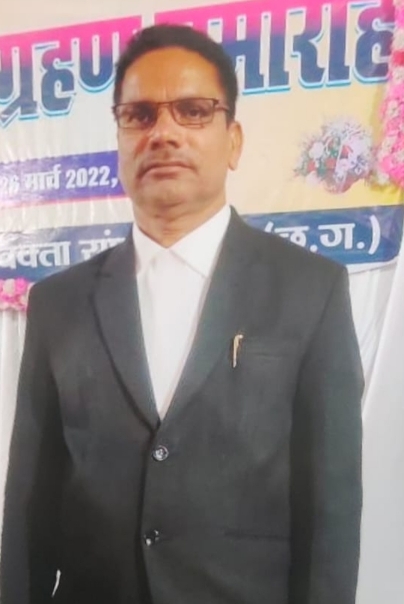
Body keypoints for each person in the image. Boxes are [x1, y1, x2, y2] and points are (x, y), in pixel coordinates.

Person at [0, 24, 363, 604]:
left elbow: (331, 512)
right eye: (139, 115)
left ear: (233, 141)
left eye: (193, 111)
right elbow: (29, 503)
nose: (163, 133)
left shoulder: (310, 289)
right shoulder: (59, 303)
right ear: (120, 139)